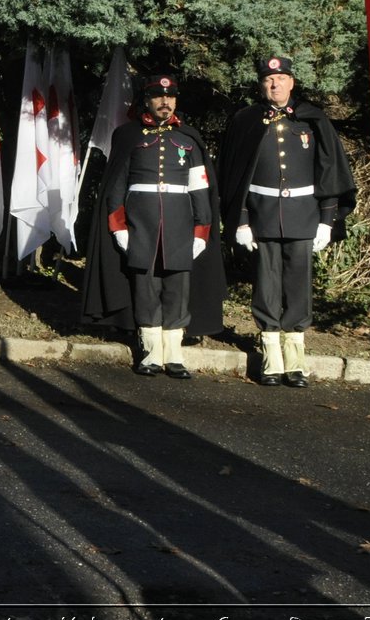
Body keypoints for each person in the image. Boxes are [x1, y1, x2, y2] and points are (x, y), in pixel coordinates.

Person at [218, 56, 355, 388]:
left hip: (303, 215)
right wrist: (242, 221)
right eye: (268, 79)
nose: (274, 84)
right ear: (261, 85)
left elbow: (329, 171)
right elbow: (236, 176)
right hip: (262, 215)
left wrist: (326, 220)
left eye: (280, 78)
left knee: (297, 283)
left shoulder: (312, 119)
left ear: (292, 82)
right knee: (266, 283)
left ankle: (295, 359)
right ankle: (271, 357)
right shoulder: (246, 120)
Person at [80, 72, 226, 378]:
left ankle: (174, 354)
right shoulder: (128, 135)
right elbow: (116, 187)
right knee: (145, 288)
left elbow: (199, 187)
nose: (165, 102)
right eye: (159, 97)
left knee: (177, 288)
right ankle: (150, 353)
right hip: (141, 226)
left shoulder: (188, 138)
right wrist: (119, 228)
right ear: (147, 100)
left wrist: (202, 230)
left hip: (179, 227)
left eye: (170, 97)